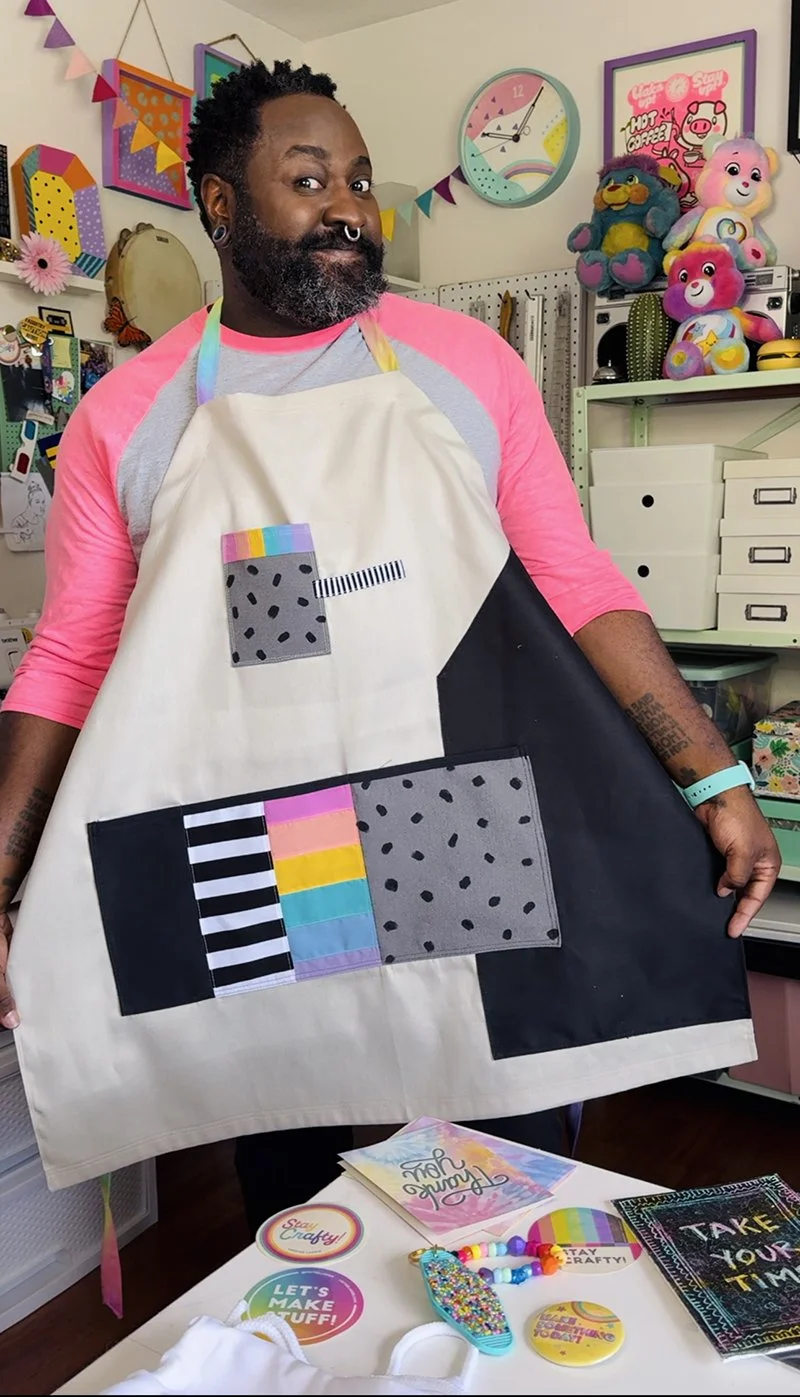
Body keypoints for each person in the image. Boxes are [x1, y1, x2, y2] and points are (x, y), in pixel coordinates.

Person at [0, 61, 778, 1225]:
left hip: (451, 815)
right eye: (309, 178)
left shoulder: (465, 364)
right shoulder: (127, 414)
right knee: (291, 1163)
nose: (349, 209)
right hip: (254, 846)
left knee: (499, 1161)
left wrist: (710, 773)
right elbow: (71, 652)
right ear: (220, 204)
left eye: (359, 181)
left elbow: (571, 580)